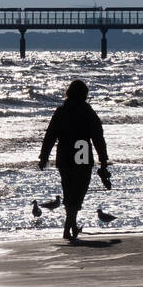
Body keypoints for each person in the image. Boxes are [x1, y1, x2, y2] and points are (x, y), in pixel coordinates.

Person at [38, 79, 110, 241]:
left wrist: (44, 157)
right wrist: (103, 160)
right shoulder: (87, 111)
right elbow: (98, 137)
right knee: (79, 189)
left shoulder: (61, 111)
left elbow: (50, 135)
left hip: (64, 151)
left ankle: (71, 225)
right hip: (82, 148)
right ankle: (68, 226)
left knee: (69, 188)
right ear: (84, 94)